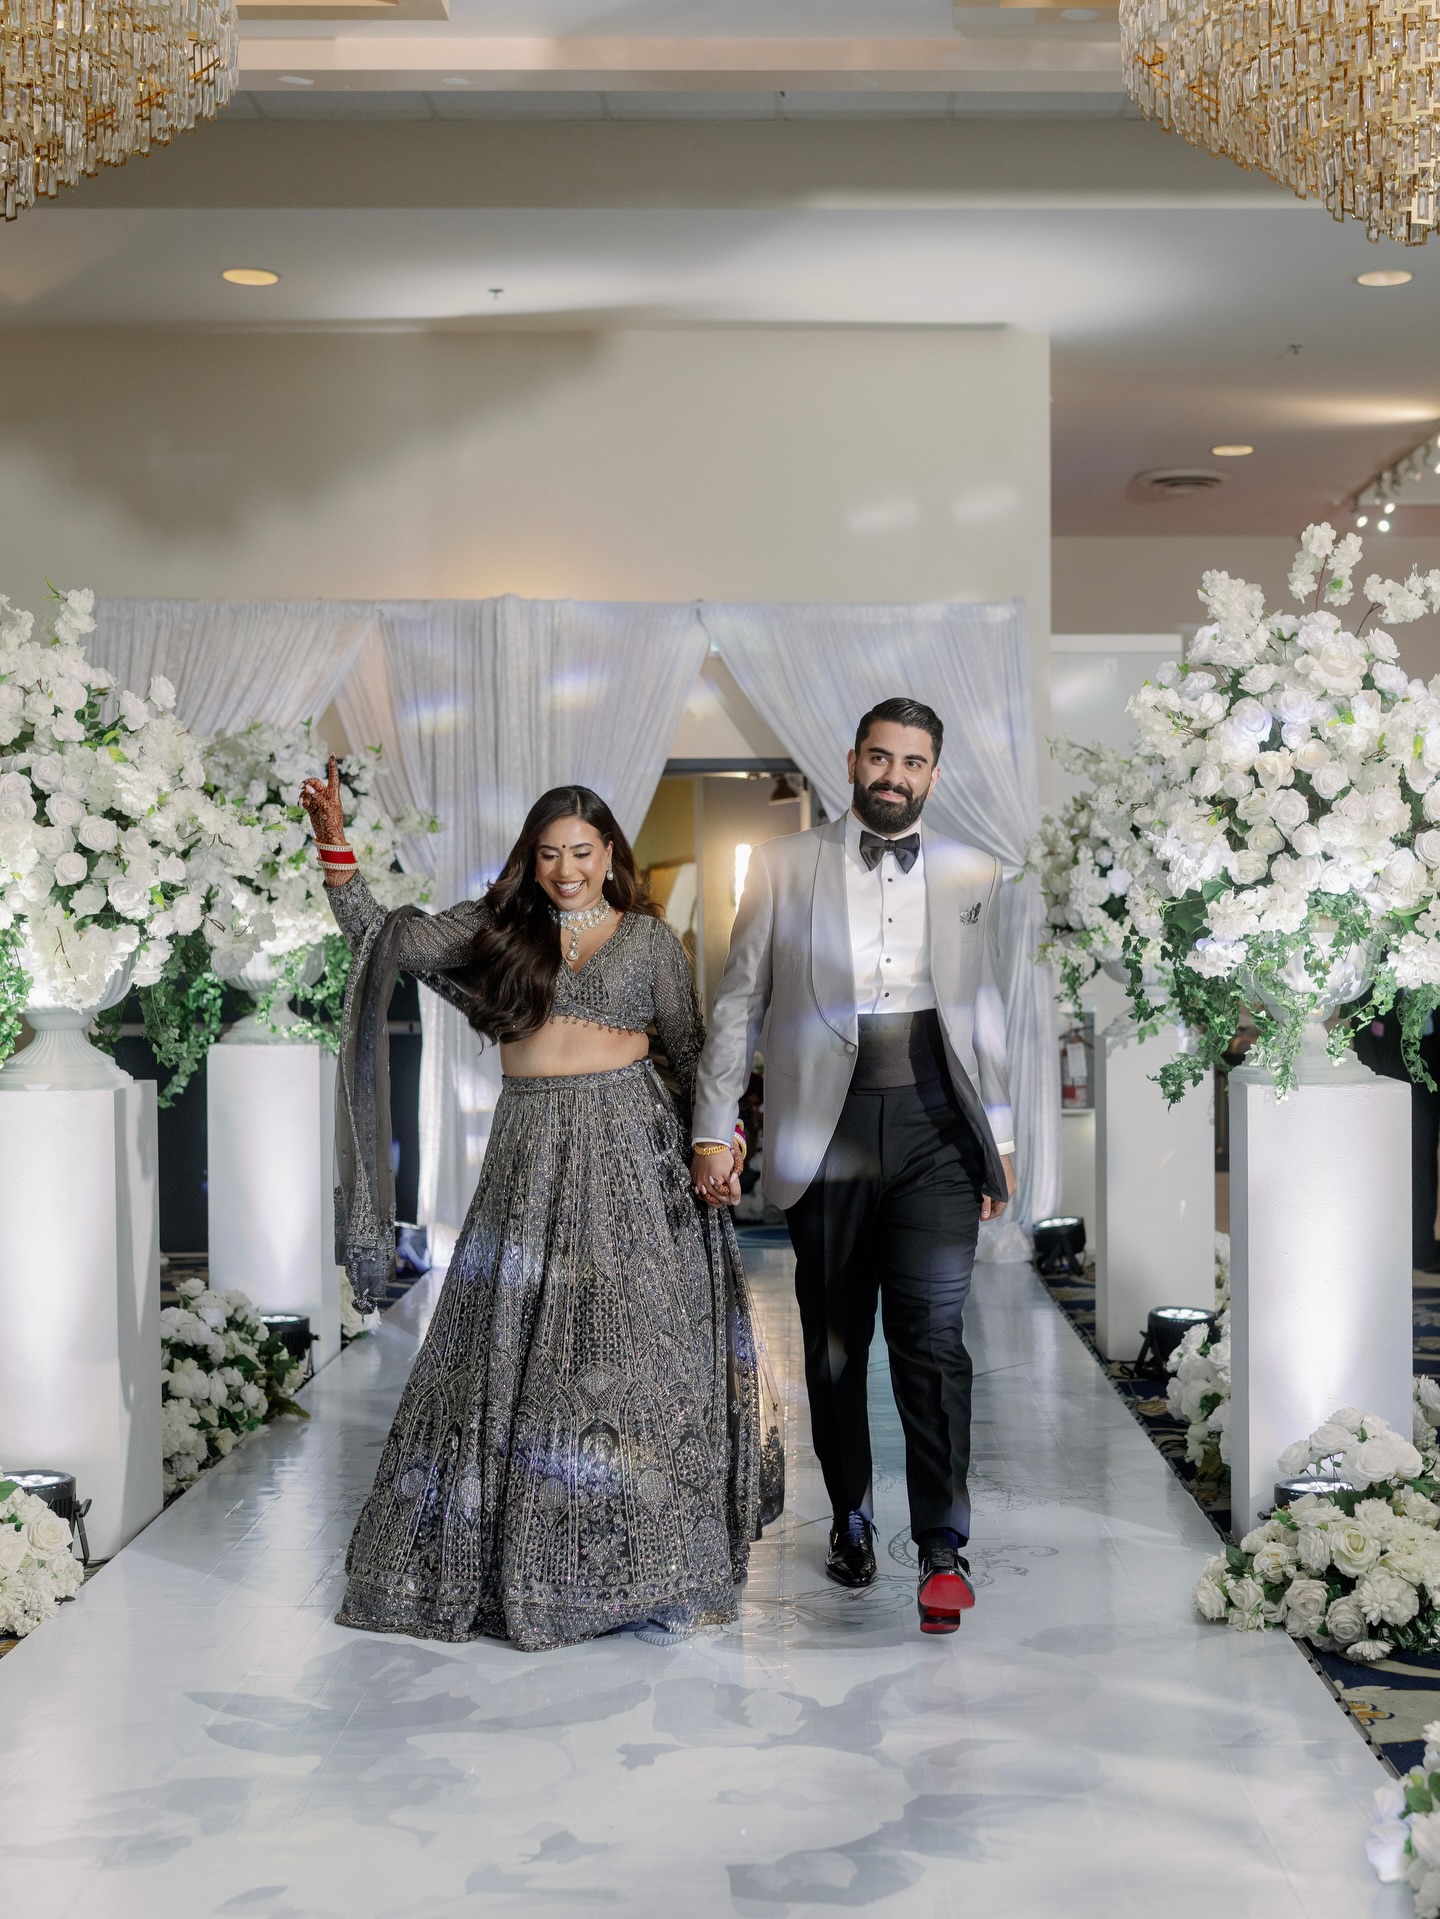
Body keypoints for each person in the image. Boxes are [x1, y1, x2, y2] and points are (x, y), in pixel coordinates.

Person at [299, 764, 782, 1651]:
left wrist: (719, 1147)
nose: (566, 869)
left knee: (637, 1364)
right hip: (529, 1157)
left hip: (635, 1159)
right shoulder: (498, 928)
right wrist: (336, 845)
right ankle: (522, 1564)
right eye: (550, 853)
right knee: (510, 1354)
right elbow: (384, 940)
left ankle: (651, 1568)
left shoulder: (646, 941)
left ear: (609, 855)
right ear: (532, 857)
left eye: (583, 852)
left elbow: (686, 1049)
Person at [689, 698, 1015, 1636]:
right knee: (835, 1345)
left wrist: (1004, 1143)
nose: (894, 776)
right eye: (881, 757)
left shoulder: (969, 870)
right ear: (852, 760)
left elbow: (984, 1014)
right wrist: (715, 1125)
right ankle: (850, 1512)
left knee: (934, 1338)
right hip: (822, 1132)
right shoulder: (785, 865)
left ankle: (943, 1547)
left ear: (933, 774)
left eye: (913, 762)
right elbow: (739, 1000)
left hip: (936, 1126)